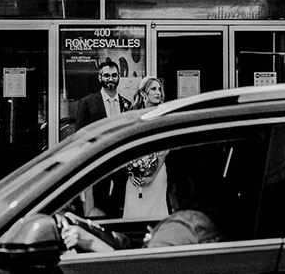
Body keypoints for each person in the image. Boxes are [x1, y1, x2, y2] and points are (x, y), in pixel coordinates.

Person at [61, 145, 224, 252]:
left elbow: (137, 268)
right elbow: (133, 246)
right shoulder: (194, 224)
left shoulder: (182, 229)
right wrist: (89, 228)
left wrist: (91, 242)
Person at [74, 58, 131, 216]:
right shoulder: (87, 103)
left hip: (121, 167)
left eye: (114, 75)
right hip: (98, 167)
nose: (110, 79)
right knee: (98, 211)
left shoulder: (127, 104)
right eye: (106, 75)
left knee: (117, 211)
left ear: (119, 76)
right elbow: (81, 136)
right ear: (100, 78)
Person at [122, 77, 168, 218]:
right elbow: (125, 146)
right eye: (153, 89)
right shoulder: (132, 116)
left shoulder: (163, 116)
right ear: (143, 94)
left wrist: (153, 174)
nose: (158, 92)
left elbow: (165, 148)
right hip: (135, 178)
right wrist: (131, 172)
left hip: (158, 174)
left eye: (159, 89)